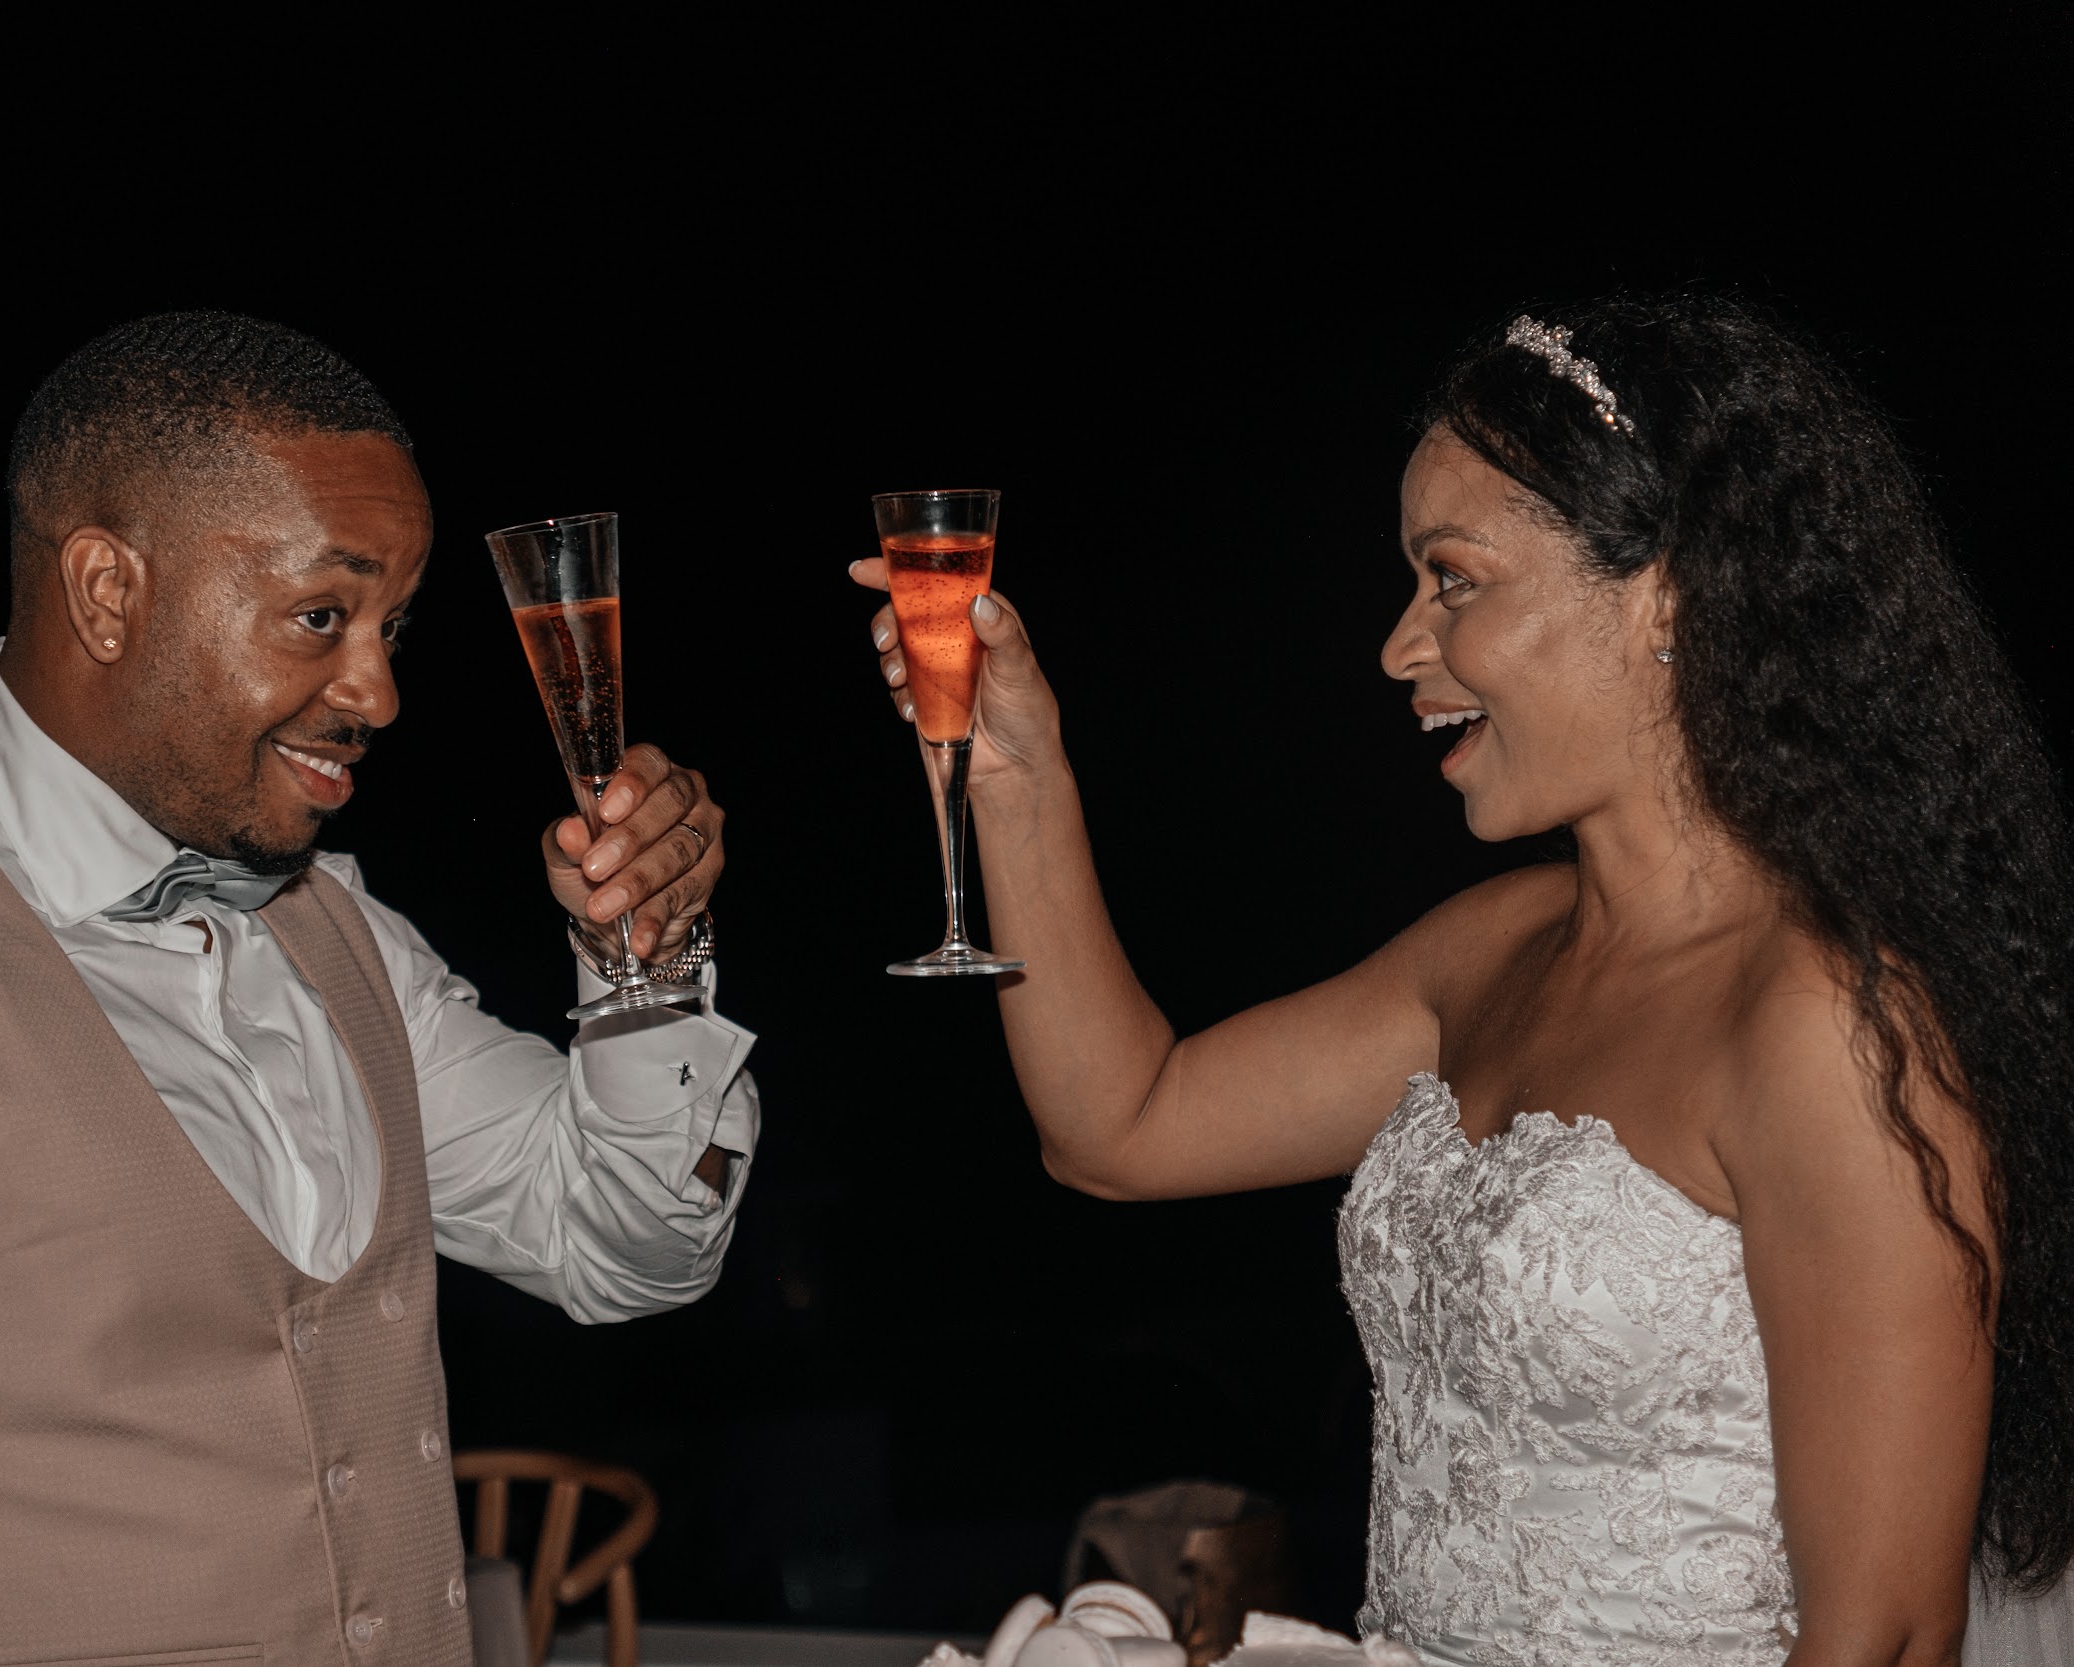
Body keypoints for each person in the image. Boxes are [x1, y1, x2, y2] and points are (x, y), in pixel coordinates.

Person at [854, 296, 2074, 1665]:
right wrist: (1015, 775)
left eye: (1454, 580)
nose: (1399, 647)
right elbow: (1118, 1126)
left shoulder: (1833, 1026)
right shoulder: (1491, 949)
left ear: (1666, 595)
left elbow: (1888, 1636)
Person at [0, 312, 760, 1665]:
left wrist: (646, 959)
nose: (378, 692)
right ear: (107, 592)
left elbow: (625, 1243)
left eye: (392, 626)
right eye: (322, 616)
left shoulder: (336, 930)